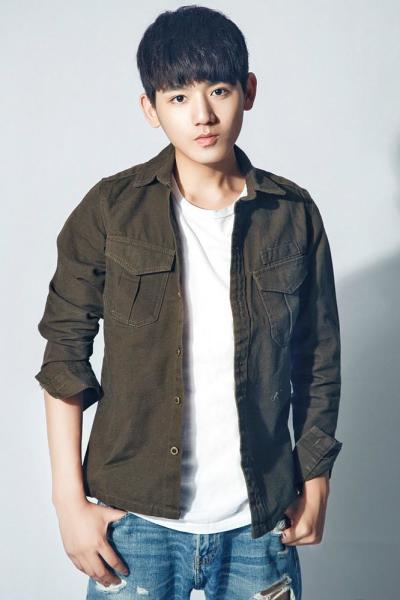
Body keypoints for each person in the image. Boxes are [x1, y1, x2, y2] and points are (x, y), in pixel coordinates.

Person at [35, 6, 343, 599]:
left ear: (248, 91)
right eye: (178, 97)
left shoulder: (293, 214)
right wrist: (68, 503)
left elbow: (318, 360)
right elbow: (64, 355)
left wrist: (317, 476)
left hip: (259, 521)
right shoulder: (110, 210)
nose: (202, 115)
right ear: (150, 108)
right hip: (135, 522)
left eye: (219, 90)